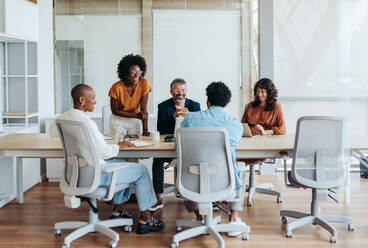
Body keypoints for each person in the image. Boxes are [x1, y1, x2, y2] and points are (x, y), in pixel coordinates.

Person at [49, 84, 164, 235]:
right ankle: (146, 219)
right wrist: (119, 145)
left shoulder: (62, 118)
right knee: (141, 171)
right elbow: (104, 152)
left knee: (121, 164)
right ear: (82, 99)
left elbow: (52, 133)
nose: (95, 101)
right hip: (95, 175)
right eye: (93, 98)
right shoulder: (87, 123)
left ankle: (119, 210)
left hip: (74, 175)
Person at [180, 81, 247, 237]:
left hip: (191, 184)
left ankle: (200, 217)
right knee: (240, 171)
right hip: (224, 183)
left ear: (207, 101)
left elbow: (179, 149)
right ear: (227, 102)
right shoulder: (236, 125)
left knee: (182, 167)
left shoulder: (189, 120)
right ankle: (233, 219)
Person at [149, 78, 200, 211]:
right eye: (176, 90)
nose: (180, 93)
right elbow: (162, 130)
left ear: (186, 91)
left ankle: (197, 197)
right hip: (170, 146)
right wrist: (173, 117)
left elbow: (199, 127)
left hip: (189, 147)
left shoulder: (195, 106)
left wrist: (189, 116)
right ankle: (158, 197)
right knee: (157, 159)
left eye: (183, 89)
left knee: (201, 159)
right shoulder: (163, 106)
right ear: (171, 92)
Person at [239, 78, 286, 165]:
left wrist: (265, 132)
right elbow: (241, 126)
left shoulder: (276, 106)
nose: (259, 94)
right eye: (257, 91)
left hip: (267, 142)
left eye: (262, 92)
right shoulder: (250, 106)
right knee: (234, 154)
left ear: (269, 92)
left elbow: (282, 129)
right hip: (250, 141)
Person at [108, 54, 151, 141]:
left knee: (135, 145)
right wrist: (136, 115)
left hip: (134, 120)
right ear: (126, 73)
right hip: (118, 120)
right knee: (120, 145)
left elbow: (143, 109)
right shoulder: (116, 87)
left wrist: (145, 130)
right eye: (133, 72)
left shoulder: (144, 83)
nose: (137, 75)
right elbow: (115, 111)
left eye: (139, 72)